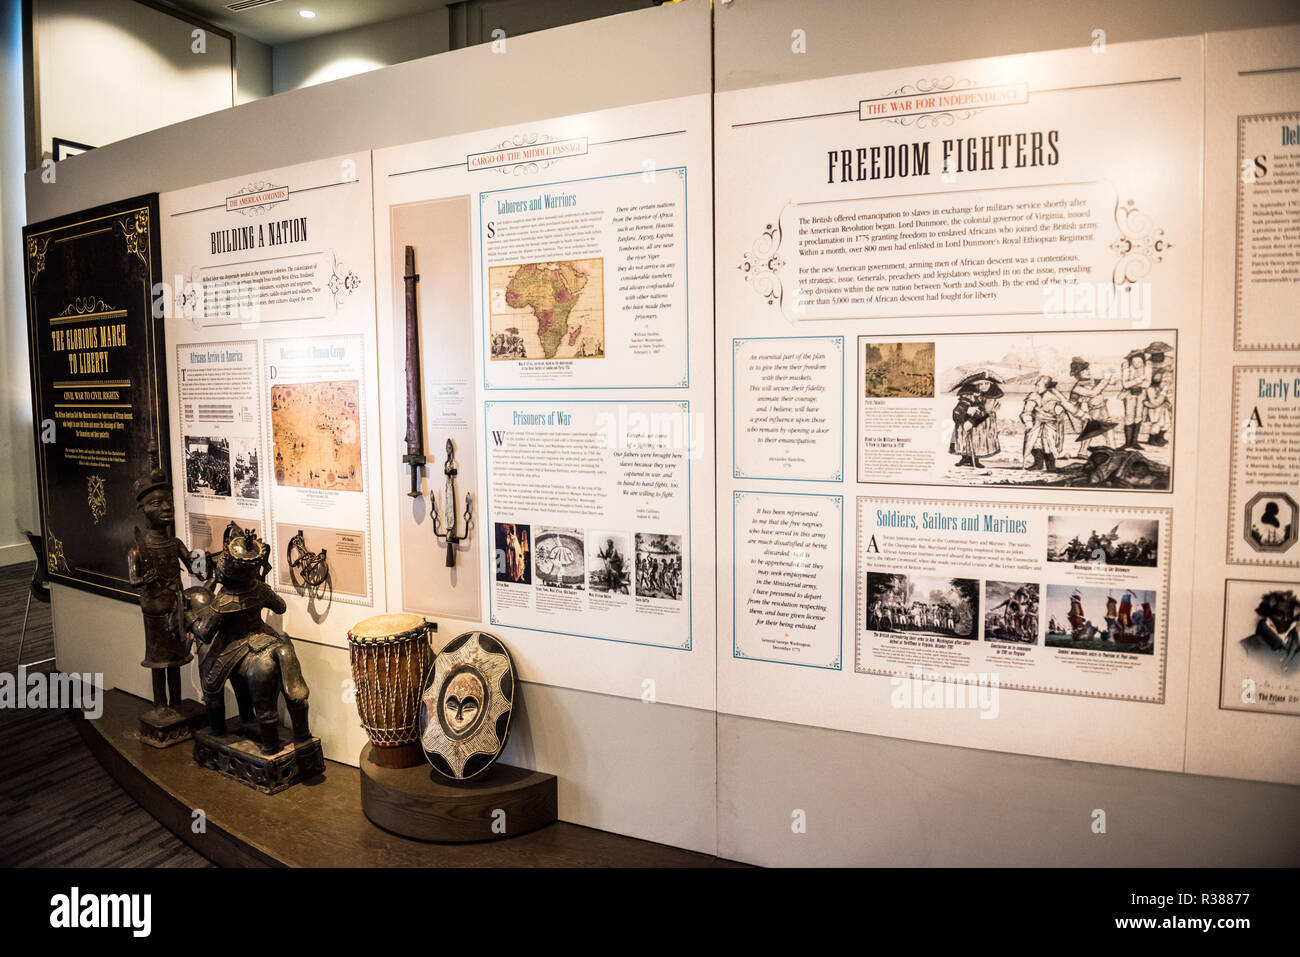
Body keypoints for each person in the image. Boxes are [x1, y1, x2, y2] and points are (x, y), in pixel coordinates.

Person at [127, 461, 196, 716]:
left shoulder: (174, 543)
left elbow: (195, 566)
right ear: (142, 509)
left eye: (168, 502)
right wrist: (145, 579)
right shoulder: (138, 549)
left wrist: (207, 559)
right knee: (158, 661)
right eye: (157, 504)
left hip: (176, 610)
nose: (166, 508)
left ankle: (176, 704)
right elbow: (133, 580)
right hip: (155, 612)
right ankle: (160, 705)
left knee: (176, 661)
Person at [949, 374, 1002, 469]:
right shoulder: (970, 394)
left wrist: (973, 421)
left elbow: (986, 411)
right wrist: (966, 410)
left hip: (983, 421)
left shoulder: (991, 397)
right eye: (980, 384)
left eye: (987, 383)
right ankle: (965, 457)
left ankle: (975, 459)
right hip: (967, 419)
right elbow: (961, 406)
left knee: (978, 440)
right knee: (964, 438)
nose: (984, 386)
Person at [1120, 350, 1150, 449]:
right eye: (1134, 362)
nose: (1137, 364)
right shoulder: (1126, 369)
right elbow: (1125, 384)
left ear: (1143, 361)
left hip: (1142, 394)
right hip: (1129, 395)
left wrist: (1133, 383)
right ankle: (1128, 443)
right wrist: (1139, 380)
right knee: (1129, 416)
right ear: (1131, 362)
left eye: (1139, 362)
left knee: (1139, 416)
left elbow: (1147, 383)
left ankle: (1135, 442)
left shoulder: (1147, 368)